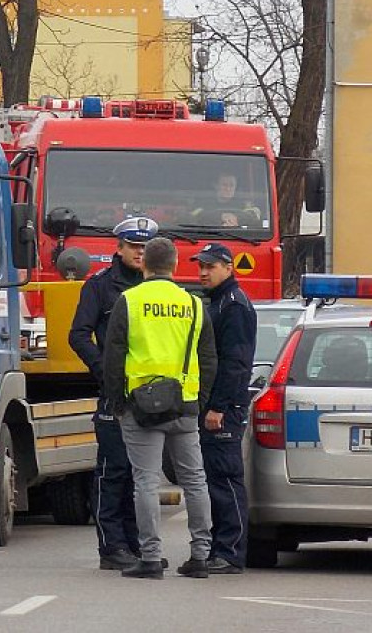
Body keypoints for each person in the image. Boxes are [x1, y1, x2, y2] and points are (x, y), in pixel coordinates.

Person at [102, 237, 218, 579]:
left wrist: (118, 403)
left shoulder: (130, 301)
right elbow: (209, 357)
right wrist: (201, 399)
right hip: (185, 404)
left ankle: (151, 558)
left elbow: (113, 357)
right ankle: (200, 556)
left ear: (145, 266)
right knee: (195, 480)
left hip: (141, 405)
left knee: (146, 482)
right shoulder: (194, 304)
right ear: (176, 265)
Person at [68, 216, 159, 570]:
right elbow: (78, 335)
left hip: (149, 393)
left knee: (142, 471)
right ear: (118, 249)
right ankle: (112, 546)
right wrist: (104, 370)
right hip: (115, 392)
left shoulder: (159, 288)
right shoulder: (101, 287)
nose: (140, 252)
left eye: (145, 246)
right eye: (134, 246)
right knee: (114, 468)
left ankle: (134, 543)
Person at [193, 243, 257, 574]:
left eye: (210, 266)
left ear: (228, 268)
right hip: (214, 405)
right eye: (200, 266)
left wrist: (218, 406)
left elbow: (235, 363)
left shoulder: (234, 306)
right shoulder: (218, 302)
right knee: (215, 479)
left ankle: (229, 552)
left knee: (225, 480)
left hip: (224, 409)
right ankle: (219, 548)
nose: (203, 272)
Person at [188, 172, 262, 228]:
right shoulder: (204, 202)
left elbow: (255, 214)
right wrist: (220, 216)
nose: (228, 189)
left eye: (231, 185)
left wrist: (236, 217)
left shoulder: (244, 204)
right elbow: (193, 215)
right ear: (216, 186)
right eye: (224, 185)